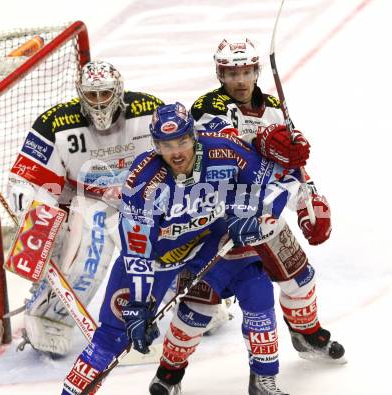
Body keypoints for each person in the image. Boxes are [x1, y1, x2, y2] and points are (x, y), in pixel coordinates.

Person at [61, 102, 308, 395]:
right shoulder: (143, 180)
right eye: (166, 144)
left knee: (257, 287)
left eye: (182, 140)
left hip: (210, 242)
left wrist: (257, 216)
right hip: (158, 259)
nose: (176, 152)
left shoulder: (225, 151)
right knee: (113, 337)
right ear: (155, 145)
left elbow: (281, 178)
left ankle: (264, 380)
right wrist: (139, 304)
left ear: (194, 135)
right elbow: (138, 251)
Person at [148, 37, 345, 395]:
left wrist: (309, 202)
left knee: (299, 280)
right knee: (198, 306)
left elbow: (292, 164)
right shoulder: (209, 105)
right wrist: (268, 144)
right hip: (210, 219)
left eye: (245, 72)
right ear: (220, 74)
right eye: (231, 73)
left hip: (262, 212)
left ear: (256, 71)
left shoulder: (271, 107)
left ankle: (306, 334)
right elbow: (225, 151)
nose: (240, 80)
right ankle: (169, 374)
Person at [7, 60, 164, 356]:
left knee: (166, 250)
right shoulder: (56, 123)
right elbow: (26, 179)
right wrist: (37, 215)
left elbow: (179, 149)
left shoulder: (149, 109)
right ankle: (48, 316)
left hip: (142, 197)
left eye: (104, 94)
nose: (99, 102)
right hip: (88, 202)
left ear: (118, 91)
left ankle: (194, 298)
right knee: (87, 264)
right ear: (81, 94)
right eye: (91, 95)